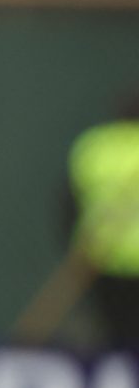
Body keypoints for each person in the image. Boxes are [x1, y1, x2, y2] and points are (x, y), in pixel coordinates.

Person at [68, 92, 139, 353]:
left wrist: (75, 247)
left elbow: (69, 203)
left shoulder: (94, 148)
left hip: (102, 259)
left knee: (113, 337)